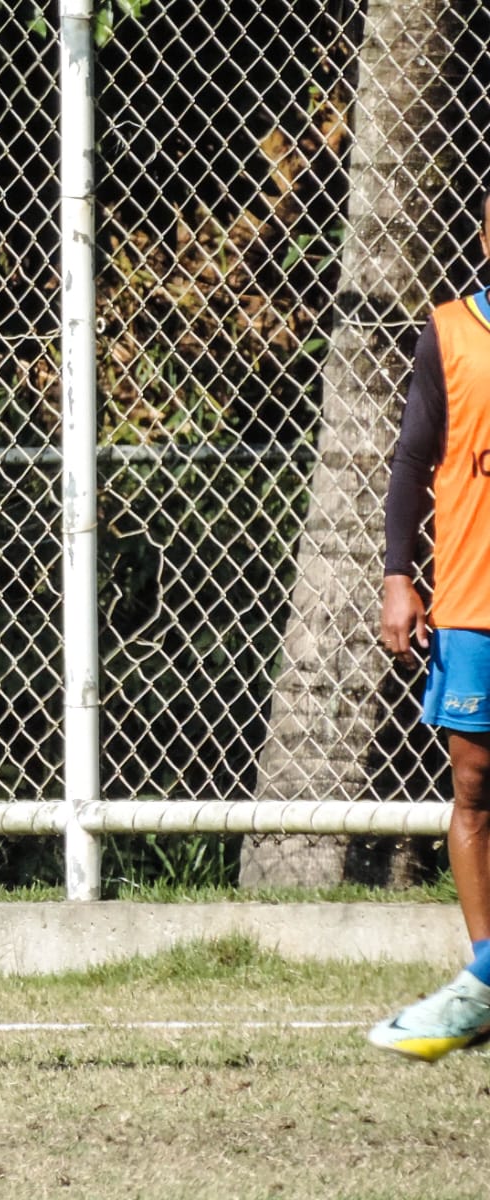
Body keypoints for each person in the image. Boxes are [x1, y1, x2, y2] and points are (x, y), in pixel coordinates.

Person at [371, 192, 490, 1061]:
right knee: (476, 792)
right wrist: (398, 576)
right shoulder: (451, 331)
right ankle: (484, 974)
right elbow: (414, 459)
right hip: (474, 606)